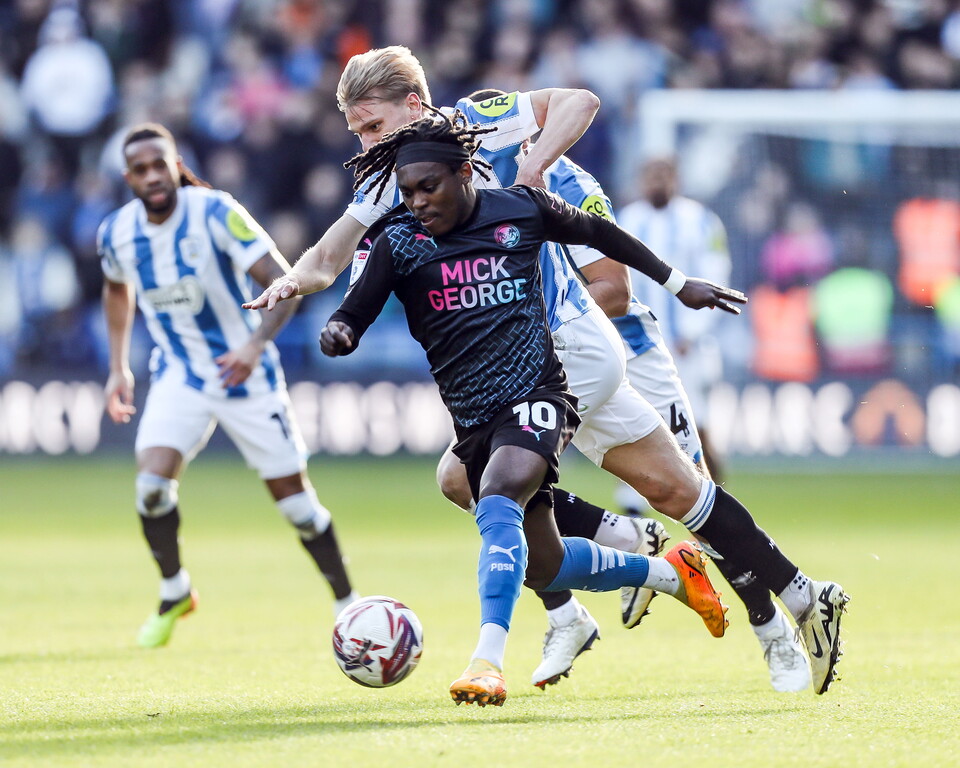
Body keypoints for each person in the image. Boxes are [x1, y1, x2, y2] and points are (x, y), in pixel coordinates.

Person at [246, 46, 849, 697]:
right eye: (357, 132)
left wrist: (534, 166)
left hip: (564, 347)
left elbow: (579, 105)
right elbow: (328, 257)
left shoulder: (480, 122)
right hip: (555, 354)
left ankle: (528, 629)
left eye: (371, 125)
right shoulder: (390, 181)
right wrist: (290, 281)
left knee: (472, 479)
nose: (365, 143)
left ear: (414, 106)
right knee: (681, 493)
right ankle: (803, 597)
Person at [320, 110, 730, 708]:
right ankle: (670, 574)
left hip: (538, 393)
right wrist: (339, 332)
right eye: (407, 192)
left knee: (498, 493)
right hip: (475, 416)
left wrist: (677, 283)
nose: (417, 201)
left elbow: (602, 234)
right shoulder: (398, 242)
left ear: (465, 173)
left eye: (428, 187)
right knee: (544, 565)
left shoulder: (519, 209)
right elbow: (354, 311)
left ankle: (486, 661)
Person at [99, 123, 358, 648]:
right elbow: (115, 291)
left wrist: (254, 345)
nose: (152, 176)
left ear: (176, 165)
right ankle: (174, 591)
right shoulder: (117, 232)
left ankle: (347, 603)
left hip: (245, 373)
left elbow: (284, 283)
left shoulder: (216, 212)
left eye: (160, 164)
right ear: (129, 178)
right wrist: (118, 366)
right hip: (180, 373)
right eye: (141, 169)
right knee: (151, 488)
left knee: (298, 508)